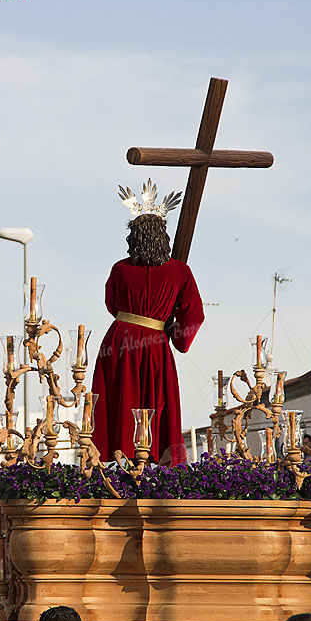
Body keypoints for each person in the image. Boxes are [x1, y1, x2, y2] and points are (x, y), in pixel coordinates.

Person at [91, 181, 204, 467]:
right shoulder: (180, 271)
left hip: (119, 342)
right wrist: (174, 333)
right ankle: (150, 459)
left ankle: (121, 457)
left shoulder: (121, 268)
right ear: (162, 237)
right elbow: (194, 314)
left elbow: (112, 304)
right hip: (155, 343)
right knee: (156, 403)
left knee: (119, 400)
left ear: (134, 238)